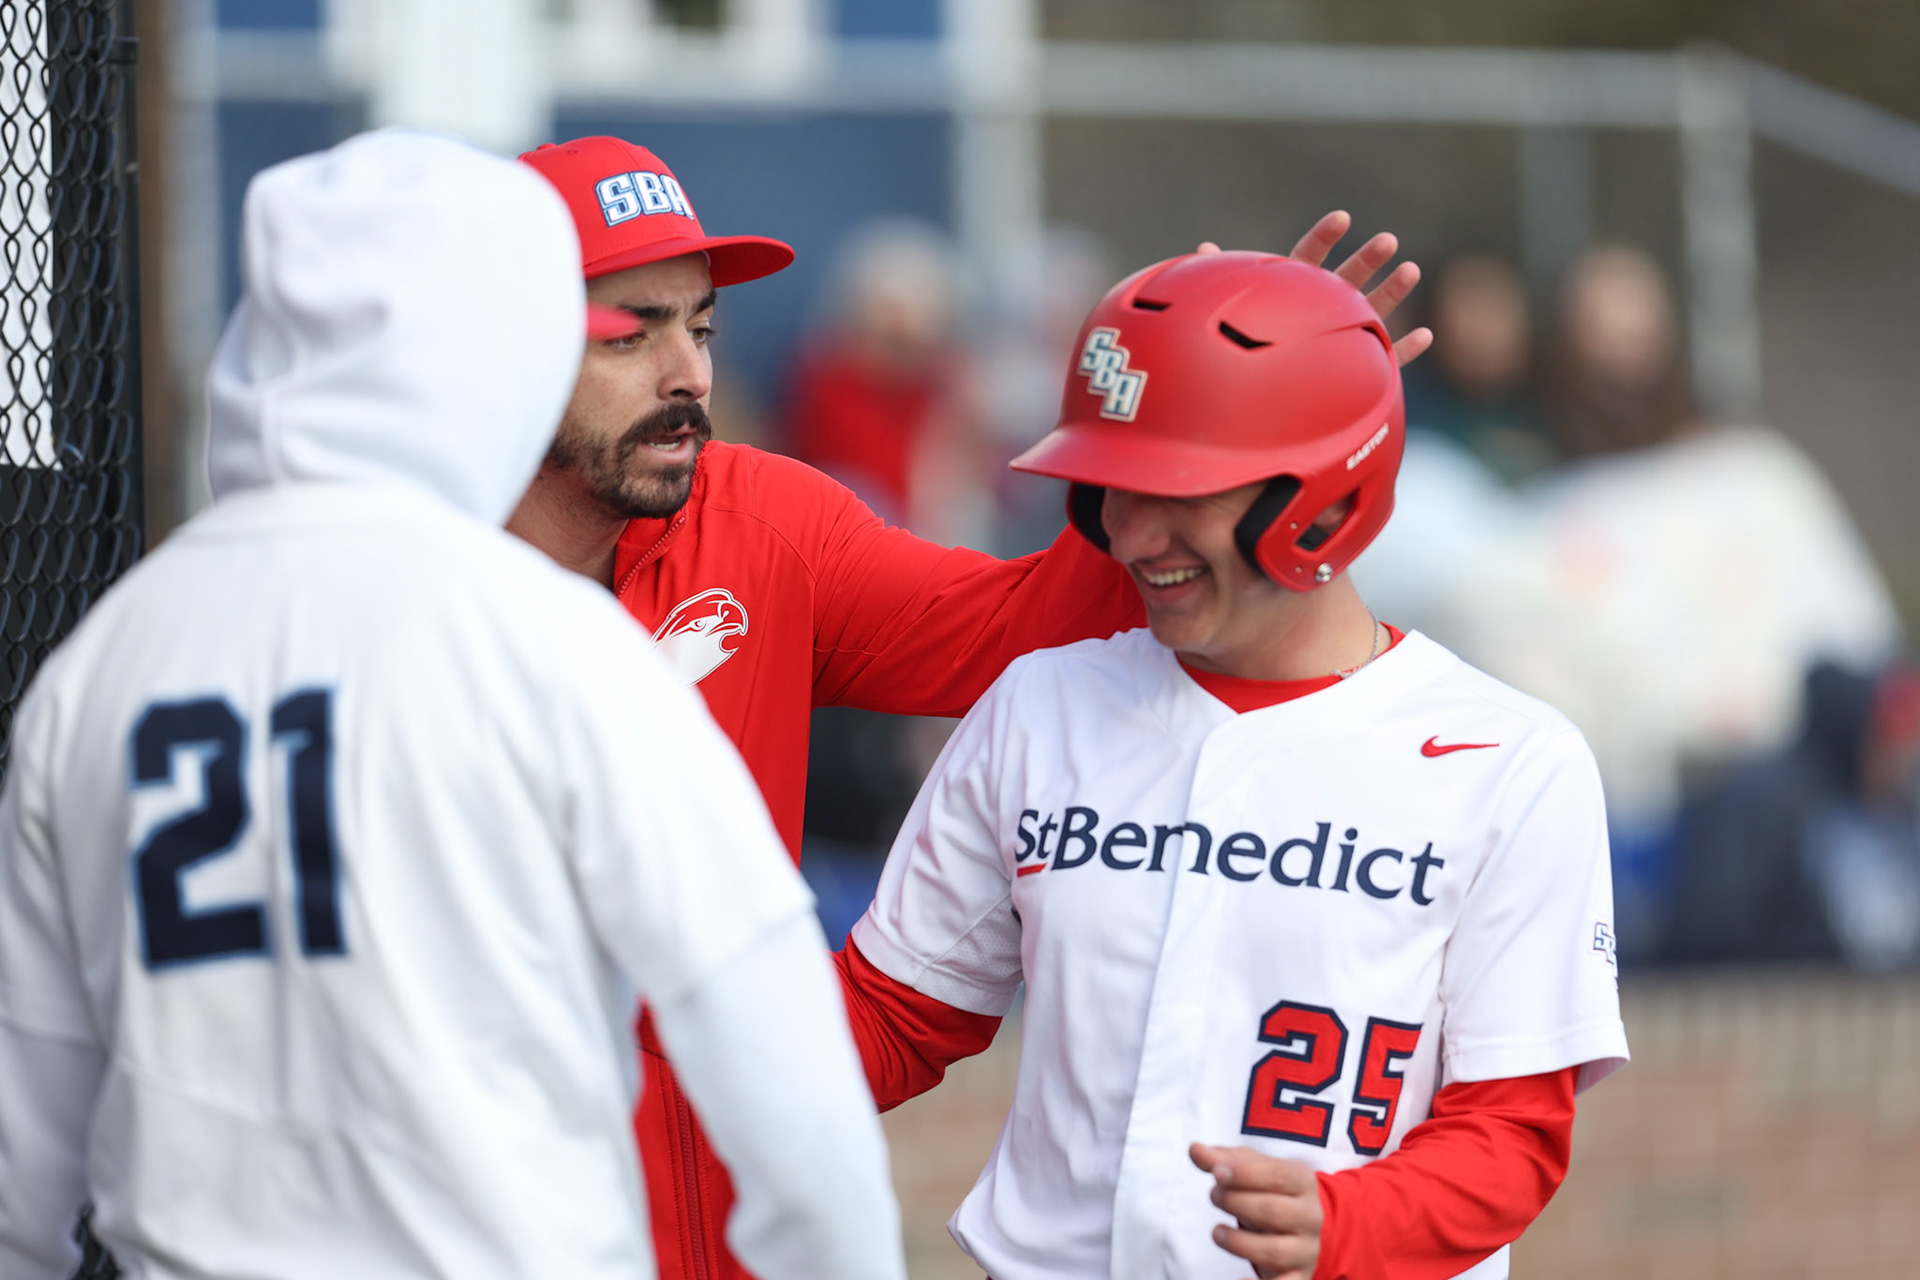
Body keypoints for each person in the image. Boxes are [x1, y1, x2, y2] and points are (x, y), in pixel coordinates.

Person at [506, 133, 1432, 1280]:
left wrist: (1209, 416)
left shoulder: (759, 523)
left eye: (701, 327)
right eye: (631, 333)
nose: (687, 373)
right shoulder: (383, 593)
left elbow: (1018, 631)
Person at [0, 131, 903, 1280]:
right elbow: (789, 1079)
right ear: (503, 344)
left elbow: (23, 1165)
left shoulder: (101, 666)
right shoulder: (545, 640)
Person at [836, 251, 1630, 1279]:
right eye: (1109, 486)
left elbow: (1512, 1129)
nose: (1129, 533)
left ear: (1326, 496)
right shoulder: (1039, 703)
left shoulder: (1511, 760)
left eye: (1178, 490)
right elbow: (892, 1014)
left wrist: (1347, 1222)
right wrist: (667, 1068)